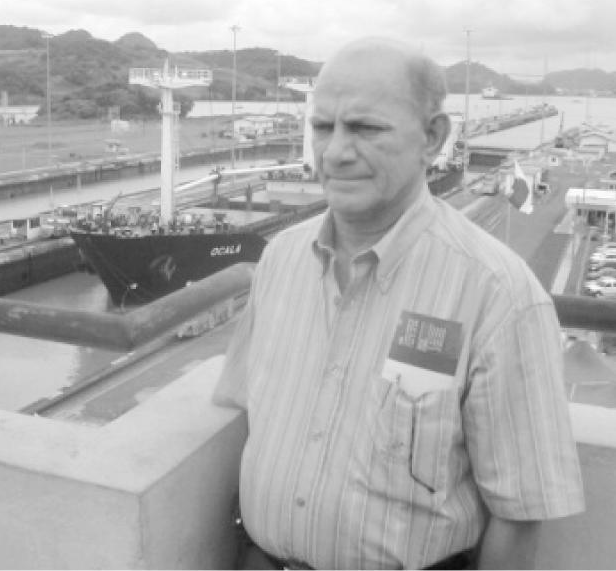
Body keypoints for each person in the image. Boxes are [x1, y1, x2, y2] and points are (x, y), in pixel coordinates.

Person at [213, 38, 584, 570]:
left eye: (366, 128)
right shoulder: (280, 261)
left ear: (432, 138)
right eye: (323, 127)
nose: (335, 152)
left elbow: (519, 514)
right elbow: (249, 416)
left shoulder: (498, 296)